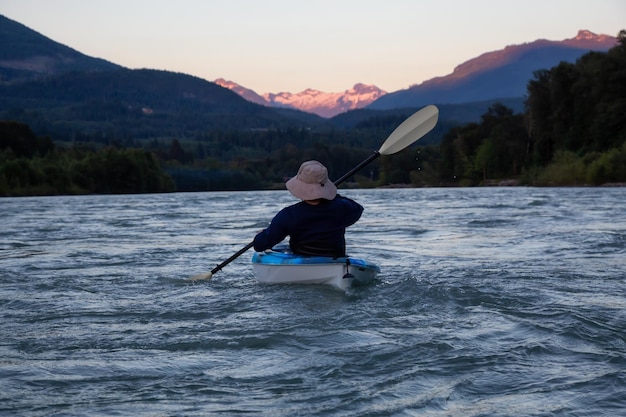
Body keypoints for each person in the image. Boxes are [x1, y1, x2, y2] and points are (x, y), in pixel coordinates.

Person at [253, 160, 363, 257]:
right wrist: (332, 196)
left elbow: (260, 245)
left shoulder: (288, 215)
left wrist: (261, 235)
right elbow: (358, 209)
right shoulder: (342, 208)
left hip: (302, 261)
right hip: (334, 259)